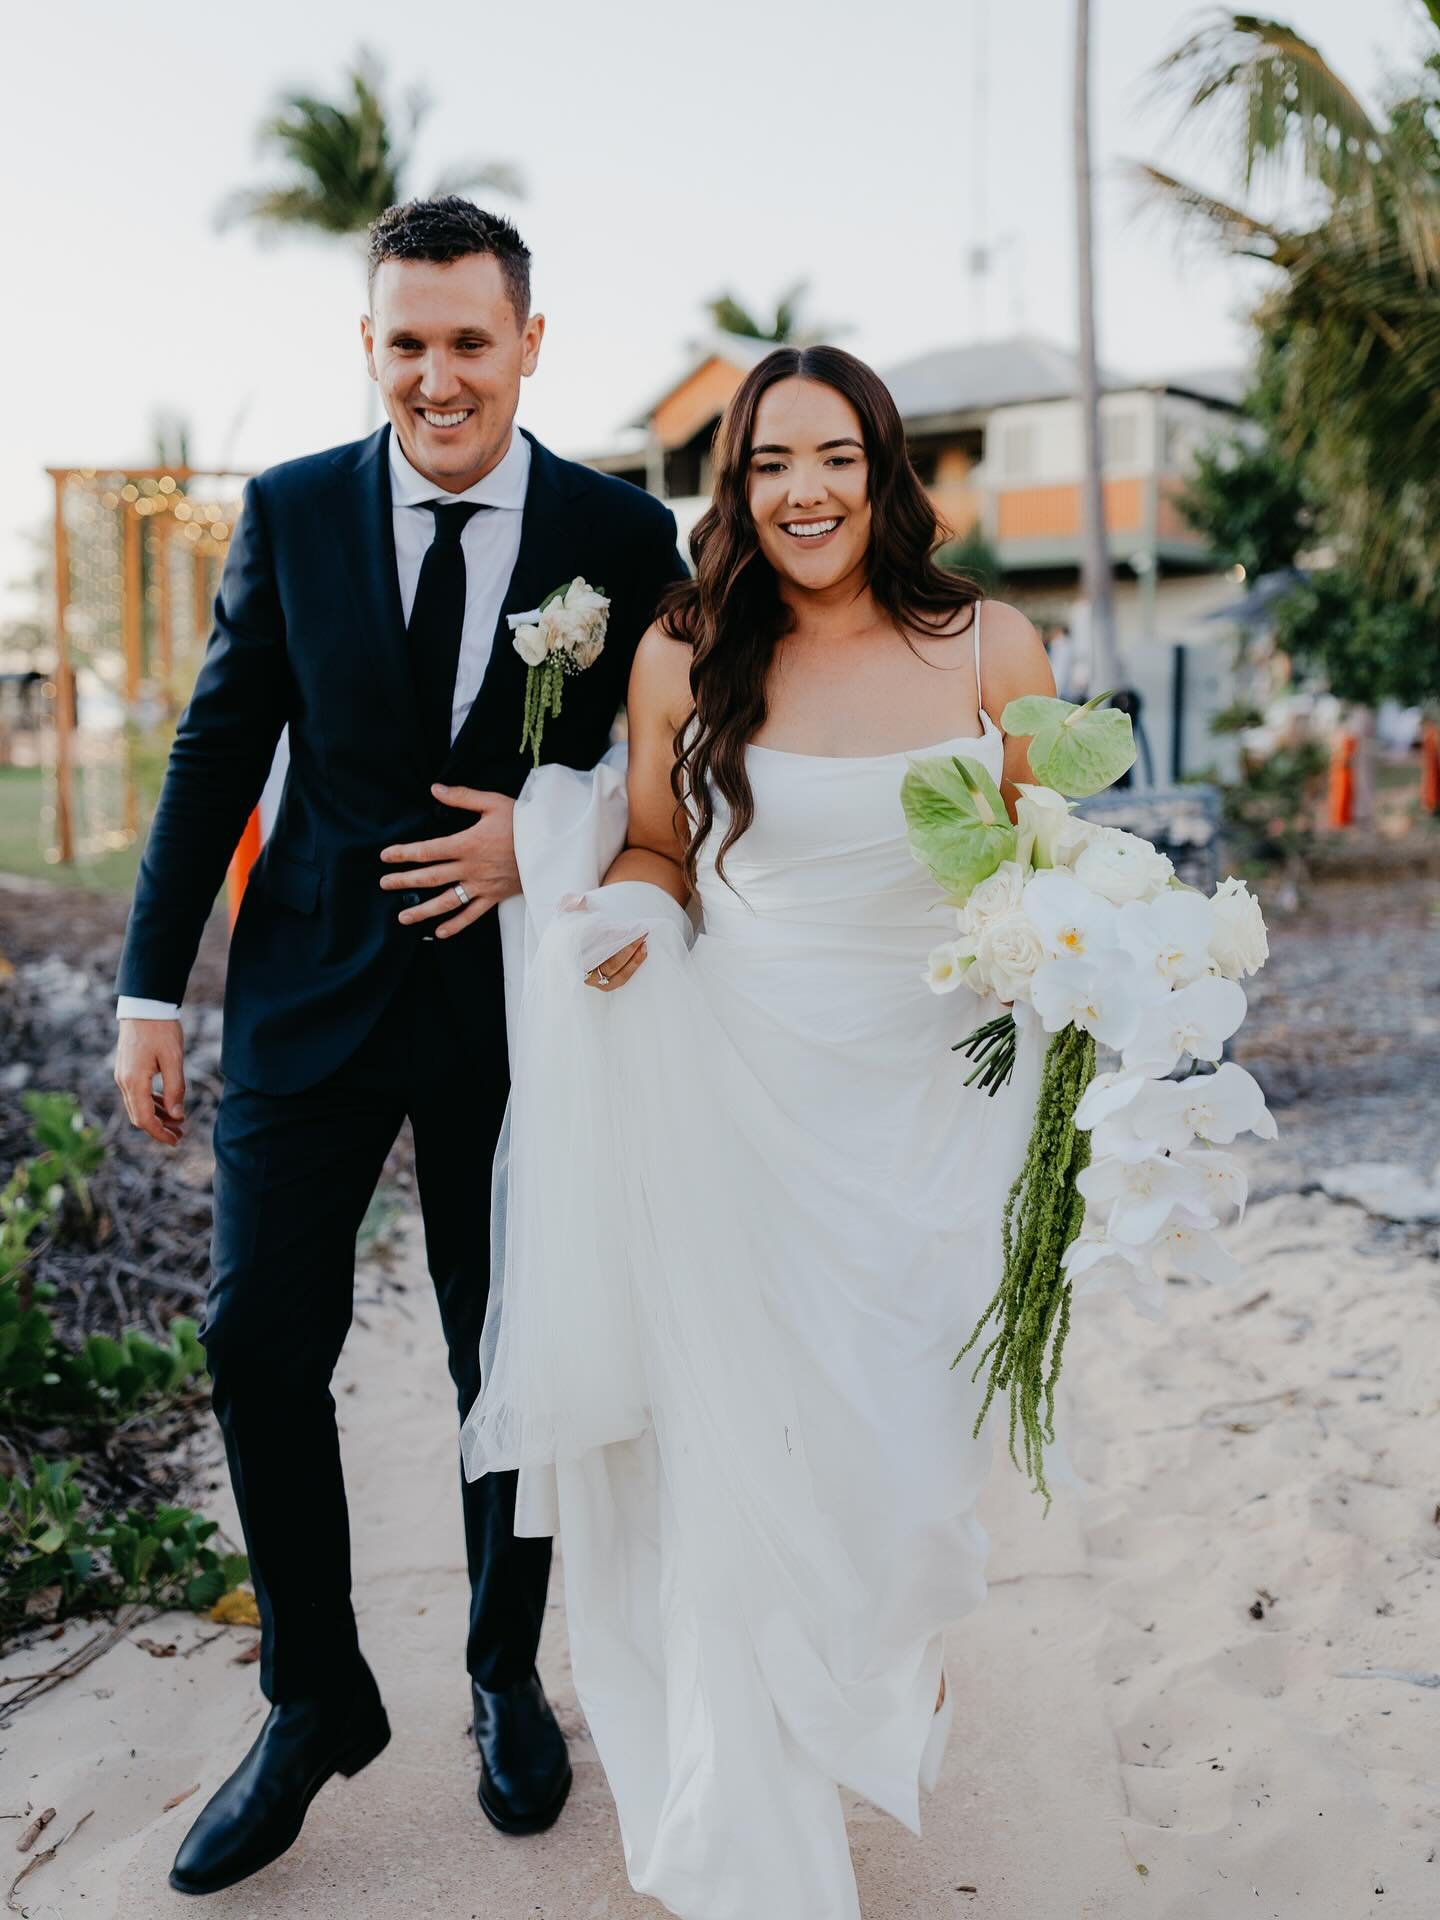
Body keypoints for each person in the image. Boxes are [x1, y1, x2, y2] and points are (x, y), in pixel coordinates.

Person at [111, 197, 686, 1897]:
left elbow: (668, 765)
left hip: (523, 1009)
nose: (439, 377)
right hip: (305, 999)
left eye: (469, 341)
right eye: (406, 344)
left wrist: (549, 828)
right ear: (370, 349)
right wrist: (155, 990)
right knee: (251, 1340)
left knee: (503, 1356)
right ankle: (312, 1697)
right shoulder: (290, 511)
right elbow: (217, 752)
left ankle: (506, 1677)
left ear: (527, 344)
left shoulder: (618, 529)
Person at [462, 345, 1054, 1919]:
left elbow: (1047, 875)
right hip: (744, 1102)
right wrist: (622, 928)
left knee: (908, 1473)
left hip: (940, 1112)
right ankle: (763, 1842)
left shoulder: (996, 645)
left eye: (837, 458)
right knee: (745, 1471)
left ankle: (882, 1684)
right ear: (736, 486)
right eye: (772, 463)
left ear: (885, 472)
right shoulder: (683, 648)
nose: (805, 493)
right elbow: (658, 847)